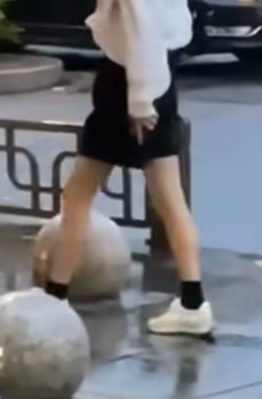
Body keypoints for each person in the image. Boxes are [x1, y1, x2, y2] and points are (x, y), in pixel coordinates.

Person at [43, 0, 213, 337]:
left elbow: (141, 27)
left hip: (131, 85)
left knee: (78, 194)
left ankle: (55, 296)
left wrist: (139, 99)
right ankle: (193, 303)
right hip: (155, 79)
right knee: (169, 200)